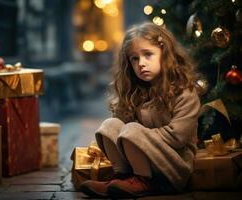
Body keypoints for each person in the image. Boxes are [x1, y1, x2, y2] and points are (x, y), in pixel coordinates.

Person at [80, 22, 200, 198]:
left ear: (165, 54)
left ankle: (143, 181)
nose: (141, 64)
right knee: (110, 125)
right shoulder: (136, 92)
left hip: (173, 167)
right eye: (134, 59)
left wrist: (139, 135)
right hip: (141, 162)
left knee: (132, 130)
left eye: (148, 55)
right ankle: (122, 177)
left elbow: (177, 137)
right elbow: (119, 130)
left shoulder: (184, 92)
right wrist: (129, 126)